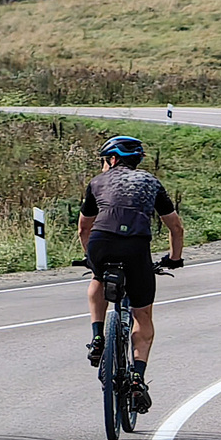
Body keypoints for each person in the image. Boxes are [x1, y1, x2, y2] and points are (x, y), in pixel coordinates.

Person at [76, 134, 183, 413]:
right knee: (142, 315)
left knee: (97, 279)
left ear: (112, 159)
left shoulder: (96, 183)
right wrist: (174, 259)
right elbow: (175, 227)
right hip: (136, 248)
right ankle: (137, 378)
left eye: (104, 161)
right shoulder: (151, 183)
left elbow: (83, 228)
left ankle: (97, 336)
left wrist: (91, 259)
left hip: (101, 242)